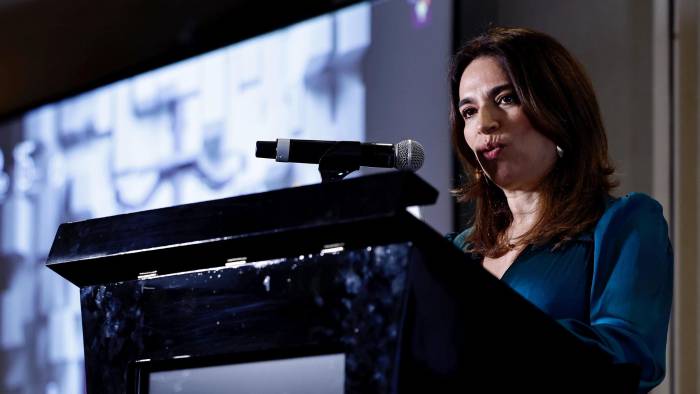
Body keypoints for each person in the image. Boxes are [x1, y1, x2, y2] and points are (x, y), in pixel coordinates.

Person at [447, 26, 673, 392]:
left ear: (558, 109)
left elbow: (630, 357)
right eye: (468, 111)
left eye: (505, 99)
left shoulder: (624, 224)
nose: (484, 123)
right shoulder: (458, 252)